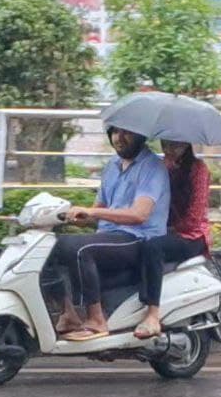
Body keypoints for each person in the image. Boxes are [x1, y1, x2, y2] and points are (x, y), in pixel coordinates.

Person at [53, 127, 170, 340]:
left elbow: (139, 215)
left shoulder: (152, 168)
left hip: (137, 238)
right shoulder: (112, 167)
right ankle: (69, 313)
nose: (119, 138)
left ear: (141, 135)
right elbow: (98, 210)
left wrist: (93, 212)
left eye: (127, 132)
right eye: (115, 132)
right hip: (109, 235)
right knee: (51, 246)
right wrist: (74, 216)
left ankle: (96, 320)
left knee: (78, 248)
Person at [134, 139, 212, 339]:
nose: (169, 149)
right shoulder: (163, 169)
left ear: (186, 145)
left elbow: (195, 215)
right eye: (165, 144)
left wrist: (168, 230)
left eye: (174, 145)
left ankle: (153, 314)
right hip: (167, 230)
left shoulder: (198, 169)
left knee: (153, 247)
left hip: (192, 235)